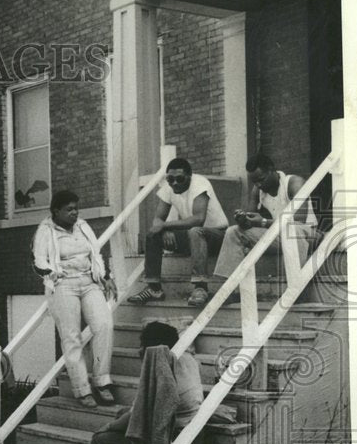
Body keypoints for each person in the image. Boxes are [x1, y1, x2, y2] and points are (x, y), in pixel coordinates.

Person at [62, 321, 204, 444]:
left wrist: (106, 428)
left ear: (151, 349)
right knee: (121, 414)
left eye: (143, 345)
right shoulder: (187, 358)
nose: (139, 349)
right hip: (192, 433)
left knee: (101, 441)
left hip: (176, 441)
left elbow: (140, 414)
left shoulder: (162, 371)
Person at [32, 189, 116, 408]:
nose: (74, 213)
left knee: (104, 325)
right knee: (72, 337)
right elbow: (38, 260)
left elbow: (95, 253)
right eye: (69, 209)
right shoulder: (45, 230)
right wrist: (51, 273)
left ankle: (102, 381)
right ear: (55, 211)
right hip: (63, 285)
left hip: (89, 282)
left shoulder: (82, 226)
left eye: (76, 208)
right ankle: (82, 389)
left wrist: (105, 277)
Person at [127, 158, 229, 308]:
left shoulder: (200, 183)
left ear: (189, 176)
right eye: (170, 179)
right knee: (153, 235)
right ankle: (154, 289)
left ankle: (200, 287)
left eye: (180, 179)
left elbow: (198, 219)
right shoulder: (169, 189)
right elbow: (157, 220)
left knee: (195, 231)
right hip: (192, 237)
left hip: (217, 237)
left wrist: (166, 225)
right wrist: (164, 229)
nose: (174, 183)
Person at [213, 153, 318, 297]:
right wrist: (244, 220)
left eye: (261, 180)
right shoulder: (258, 190)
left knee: (292, 231)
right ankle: (227, 289)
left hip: (308, 234)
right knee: (233, 232)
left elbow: (299, 220)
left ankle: (296, 292)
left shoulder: (294, 183)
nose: (258, 185)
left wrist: (263, 222)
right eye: (254, 182)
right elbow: (250, 219)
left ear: (271, 170)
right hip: (280, 235)